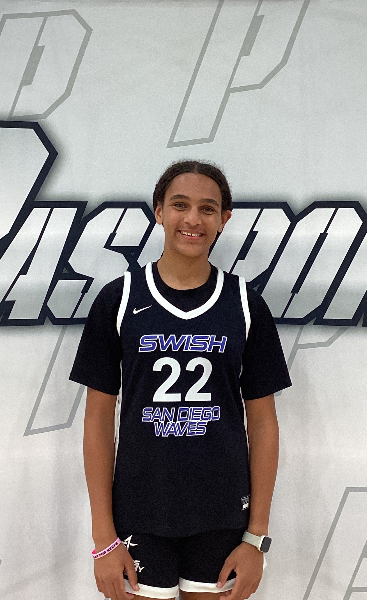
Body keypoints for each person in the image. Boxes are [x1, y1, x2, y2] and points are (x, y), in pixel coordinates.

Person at [70, 160, 291, 600]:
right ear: (159, 211)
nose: (193, 219)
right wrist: (104, 538)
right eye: (180, 205)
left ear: (224, 219)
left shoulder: (246, 304)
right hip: (139, 513)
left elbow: (264, 423)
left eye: (207, 209)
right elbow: (97, 420)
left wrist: (256, 538)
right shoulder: (118, 299)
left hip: (222, 515)